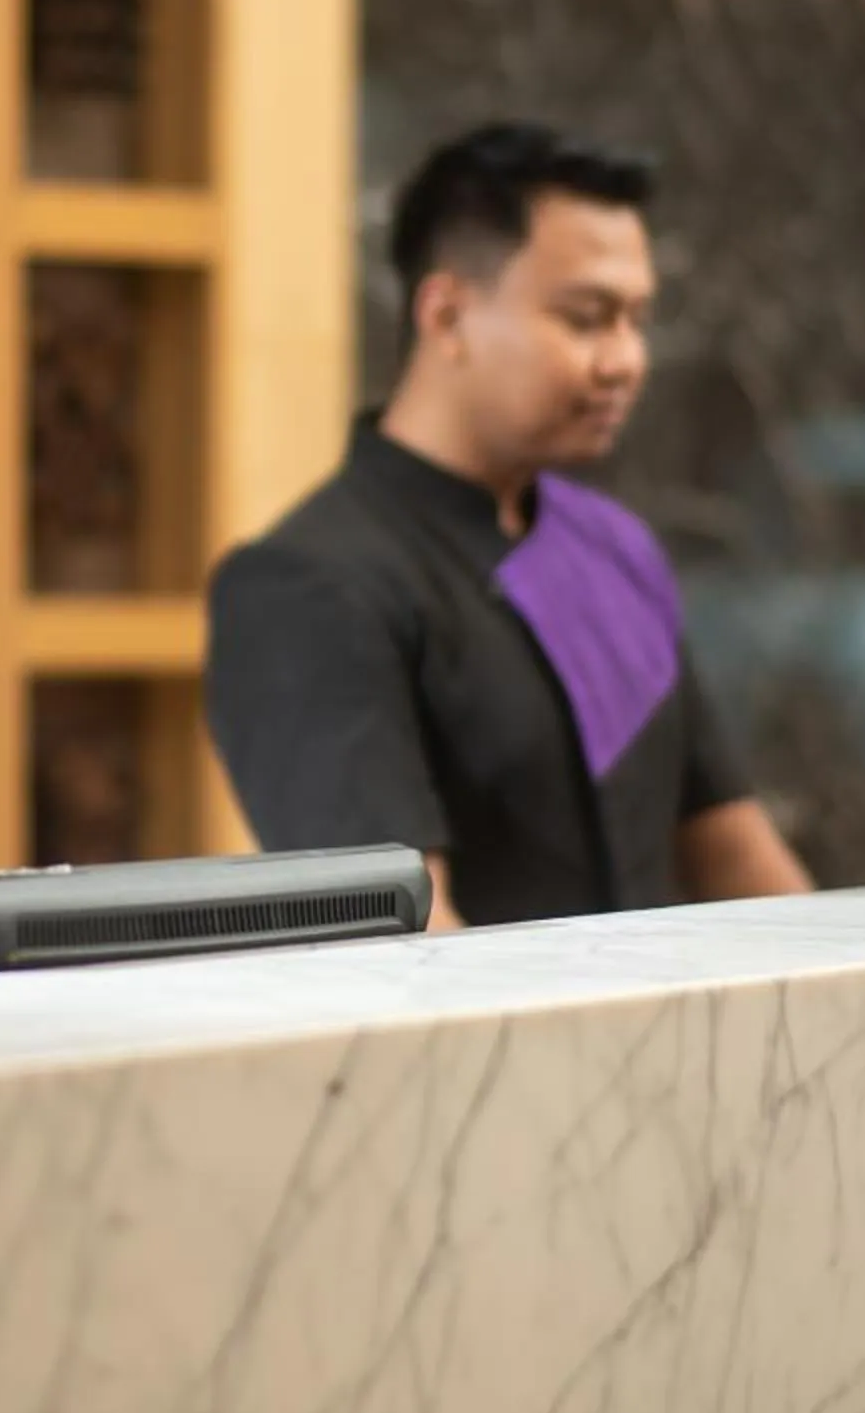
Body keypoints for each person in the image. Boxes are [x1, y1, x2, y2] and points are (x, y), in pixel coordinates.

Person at [204, 122, 812, 928]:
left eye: (636, 319)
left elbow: (739, 855)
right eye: (588, 317)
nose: (625, 360)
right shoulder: (305, 585)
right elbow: (407, 950)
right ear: (447, 315)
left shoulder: (615, 549)